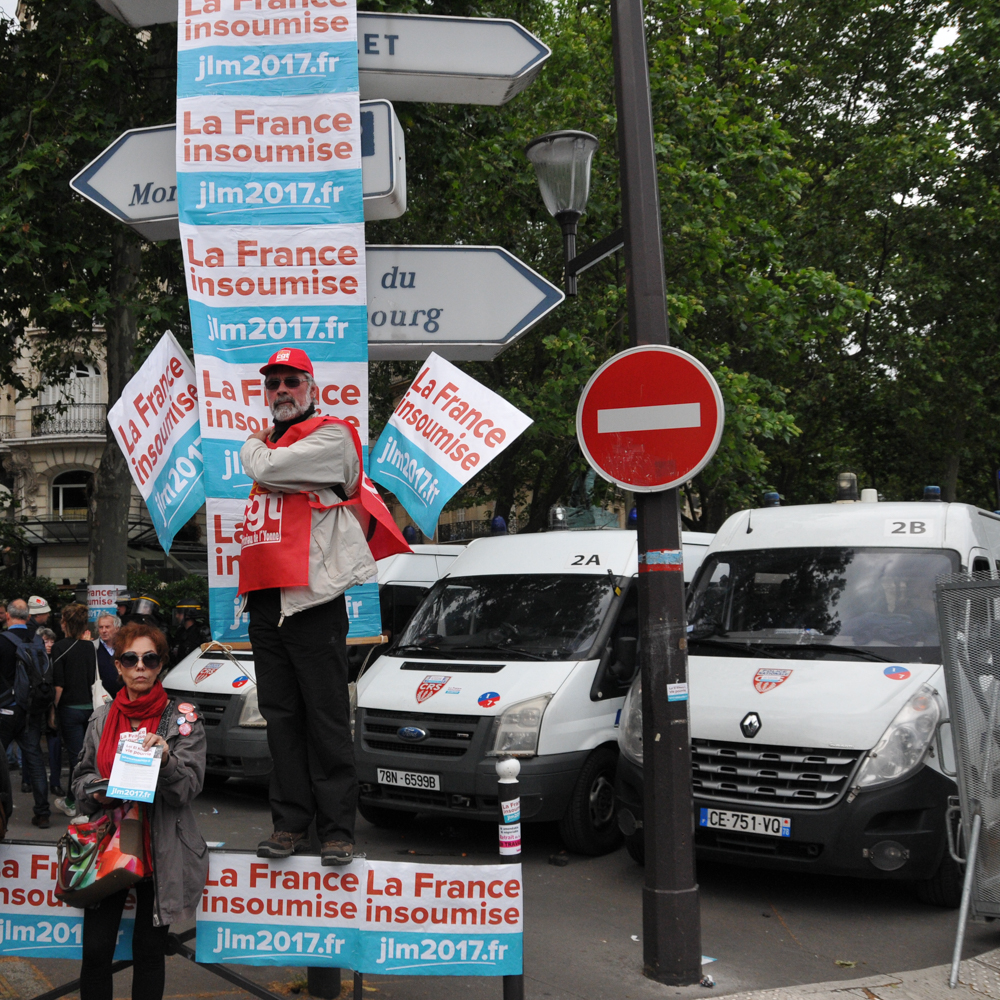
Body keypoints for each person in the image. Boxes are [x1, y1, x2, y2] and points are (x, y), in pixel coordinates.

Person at [238, 347, 405, 865]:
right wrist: (264, 448)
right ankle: (289, 826)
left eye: (292, 382)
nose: (281, 391)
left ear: (312, 389)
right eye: (273, 384)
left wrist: (252, 443)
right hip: (266, 599)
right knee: (281, 718)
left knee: (326, 717)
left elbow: (267, 468)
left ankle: (337, 830)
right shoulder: (281, 439)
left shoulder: (334, 436)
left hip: (315, 599)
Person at [72, 622, 207, 1000]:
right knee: (96, 951)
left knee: (148, 952)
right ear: (118, 666)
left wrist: (165, 758)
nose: (140, 667)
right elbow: (80, 779)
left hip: (160, 848)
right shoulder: (102, 717)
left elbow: (188, 789)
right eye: (131, 659)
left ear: (161, 664)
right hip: (106, 847)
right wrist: (96, 793)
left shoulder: (182, 718)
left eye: (150, 658)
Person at [0, 600, 51, 827]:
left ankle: (1, 812)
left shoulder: (1, 641)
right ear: (28, 615)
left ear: (8, 617)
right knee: (35, 760)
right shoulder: (37, 640)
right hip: (31, 709)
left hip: (6, 709)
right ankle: (42, 812)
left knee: (1, 762)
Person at [51, 604, 98, 817]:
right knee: (86, 755)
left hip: (69, 709)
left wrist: (53, 709)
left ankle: (74, 802)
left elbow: (58, 685)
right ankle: (79, 798)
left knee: (75, 758)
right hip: (89, 707)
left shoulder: (59, 647)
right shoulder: (89, 647)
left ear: (66, 623)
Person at [35, 628, 64, 796]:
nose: (50, 644)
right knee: (32, 743)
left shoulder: (55, 658)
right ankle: (28, 779)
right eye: (46, 641)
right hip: (39, 704)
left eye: (52, 641)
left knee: (54, 744)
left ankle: (55, 781)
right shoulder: (35, 659)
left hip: (52, 703)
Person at [93, 614, 123, 700]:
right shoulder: (93, 648)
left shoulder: (125, 647)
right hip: (102, 699)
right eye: (101, 627)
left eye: (107, 627)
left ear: (117, 628)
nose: (104, 630)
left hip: (124, 698)